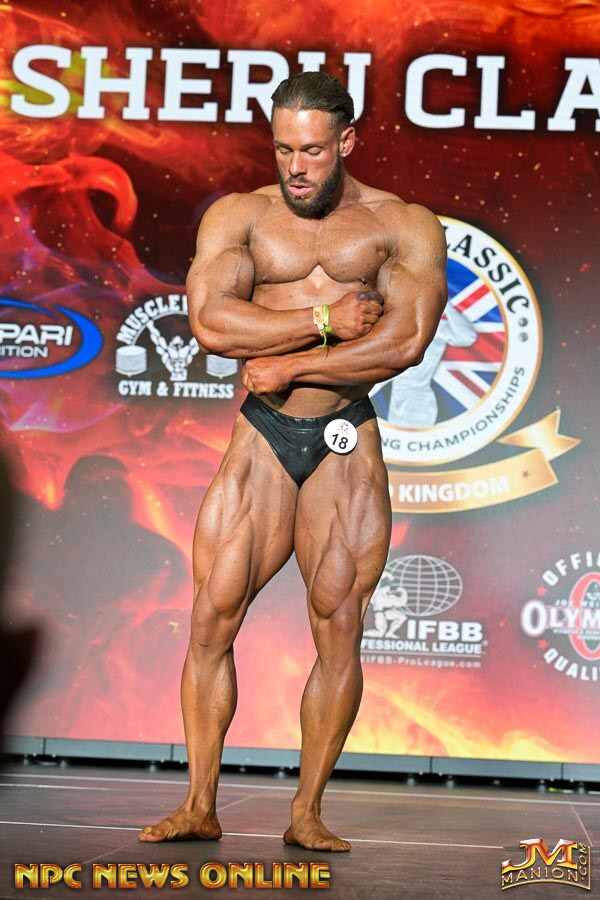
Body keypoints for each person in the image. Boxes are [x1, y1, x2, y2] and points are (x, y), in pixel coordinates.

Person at [139, 71, 447, 851]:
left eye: (312, 150)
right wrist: (325, 319)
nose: (296, 167)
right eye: (283, 150)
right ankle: (199, 804)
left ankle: (307, 812)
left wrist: (291, 365)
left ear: (347, 141)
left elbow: (404, 343)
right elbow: (213, 325)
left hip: (345, 435)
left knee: (338, 623)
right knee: (211, 615)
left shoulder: (401, 225)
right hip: (262, 436)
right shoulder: (241, 217)